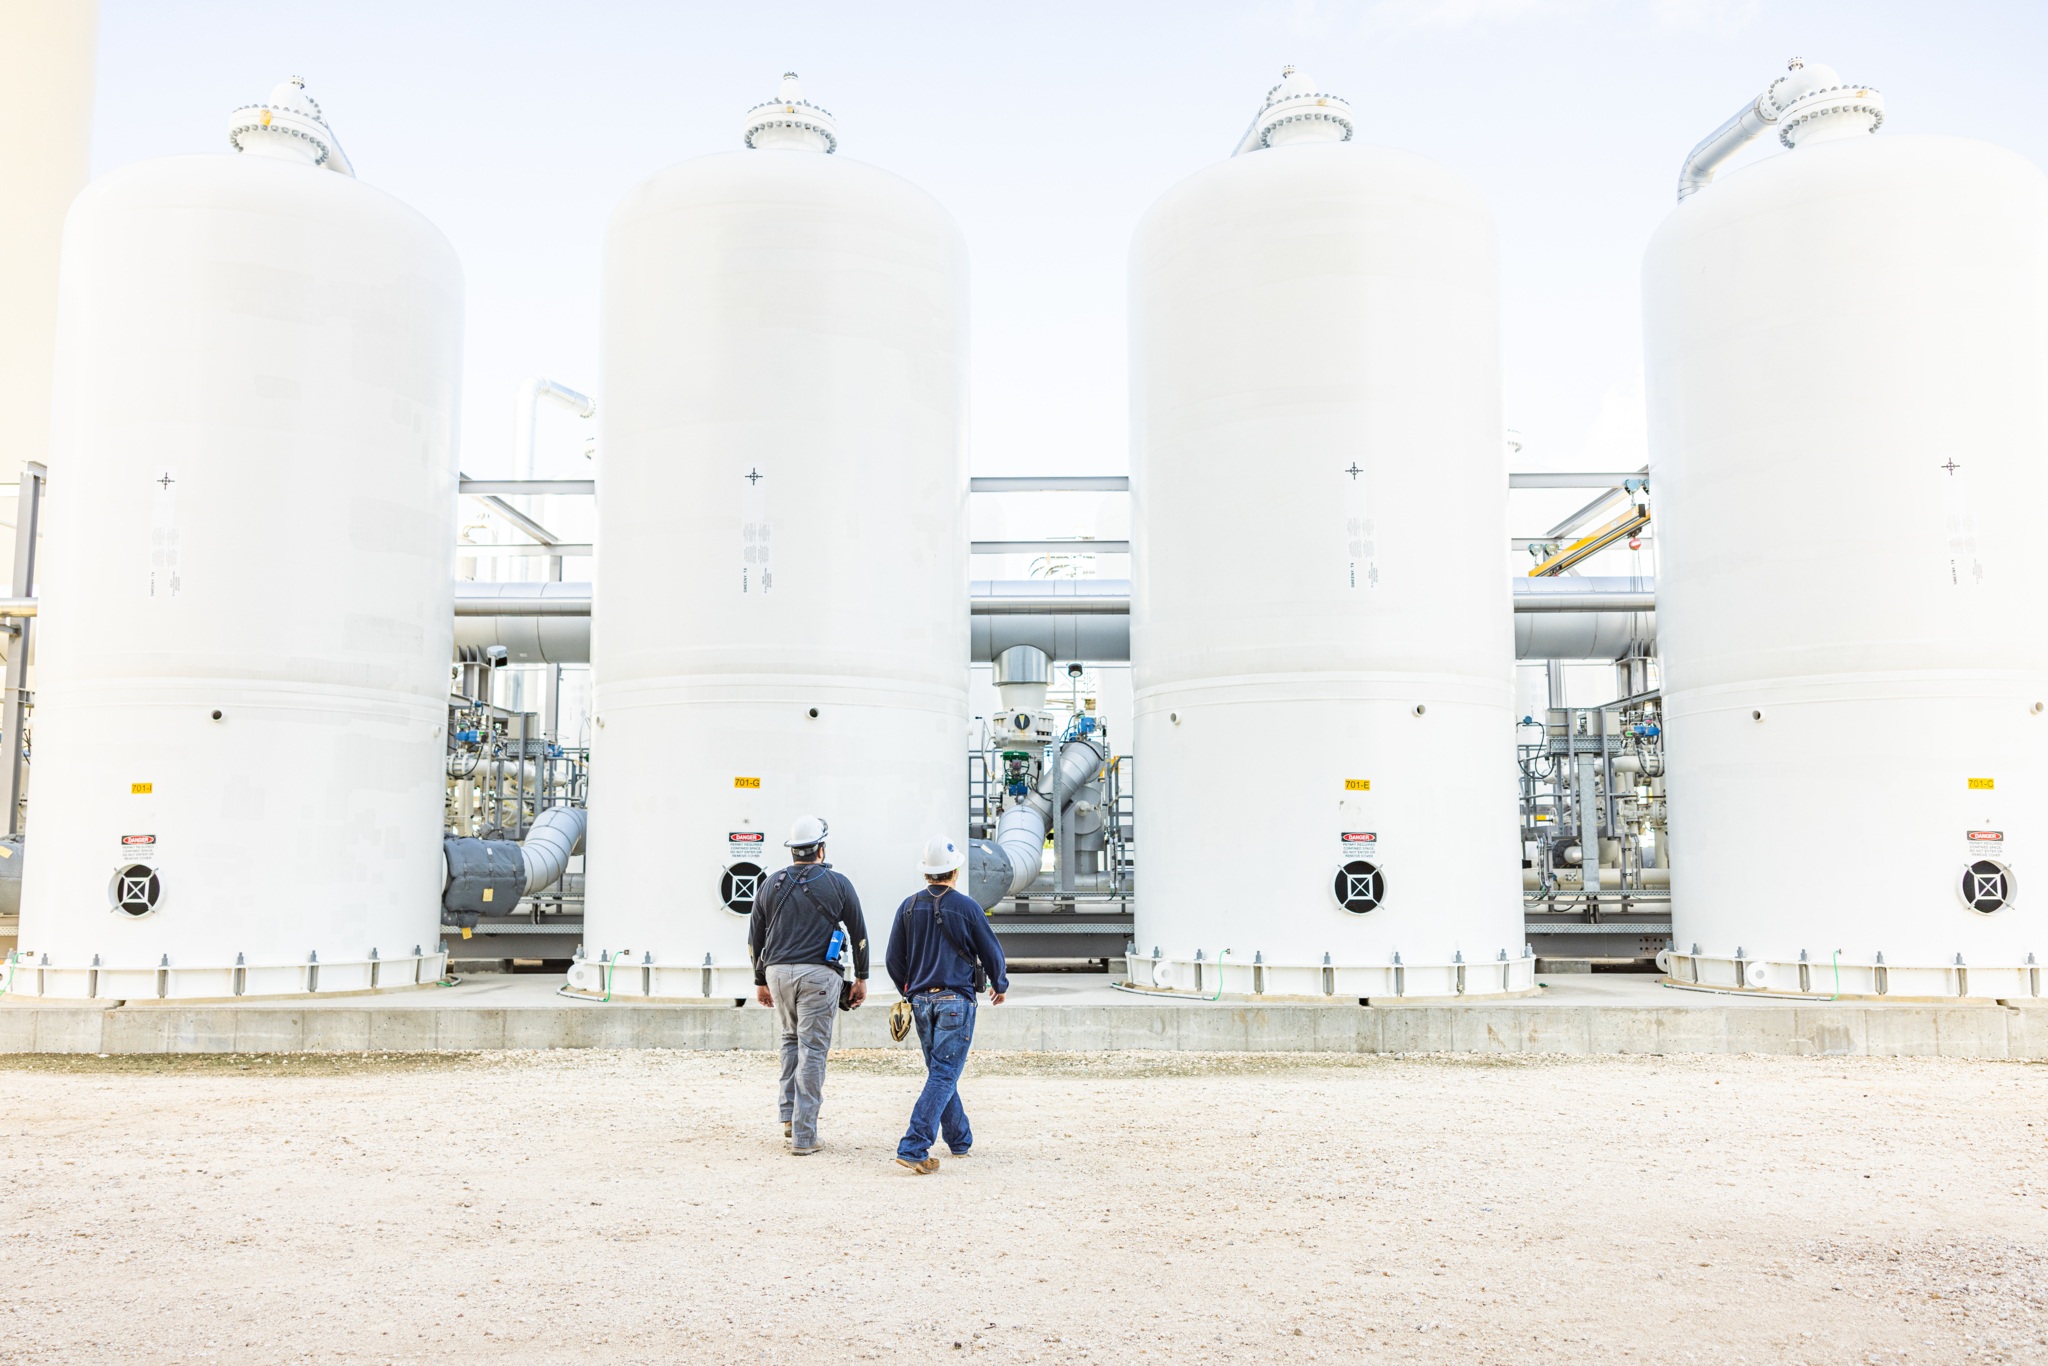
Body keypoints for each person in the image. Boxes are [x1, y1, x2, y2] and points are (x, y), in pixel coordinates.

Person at [884, 834, 1009, 1174]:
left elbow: (893, 958)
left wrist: (909, 990)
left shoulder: (908, 907)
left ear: (926, 872)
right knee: (943, 1073)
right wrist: (999, 983)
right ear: (955, 871)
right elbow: (991, 949)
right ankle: (914, 1146)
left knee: (941, 1071)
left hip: (921, 1002)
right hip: (956, 1001)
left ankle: (959, 1140)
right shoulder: (967, 907)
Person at [747, 814, 868, 1155]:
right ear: (821, 849)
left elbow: (755, 939)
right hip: (818, 976)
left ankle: (788, 1119)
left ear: (792, 851)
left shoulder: (770, 884)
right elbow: (858, 933)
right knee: (812, 1050)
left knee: (790, 1040)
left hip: (777, 974)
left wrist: (760, 980)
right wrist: (861, 978)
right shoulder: (838, 883)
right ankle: (804, 1135)